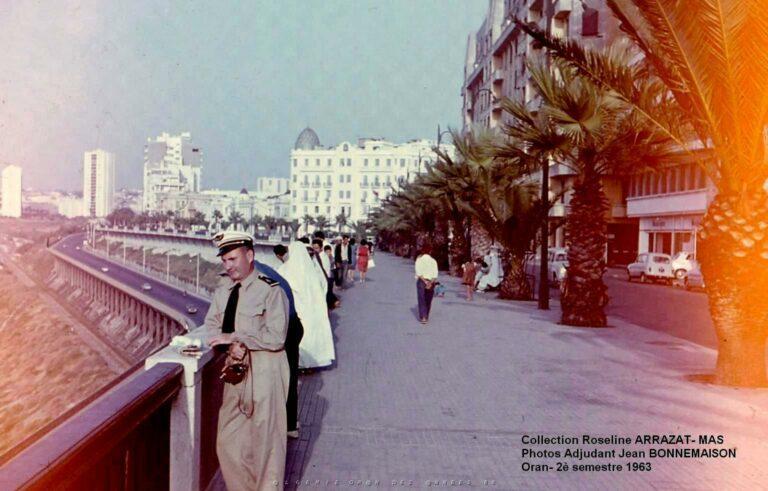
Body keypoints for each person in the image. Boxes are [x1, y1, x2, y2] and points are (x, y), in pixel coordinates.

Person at [202, 231, 289, 490]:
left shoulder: (270, 290)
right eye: (224, 260)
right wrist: (229, 346)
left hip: (266, 372)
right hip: (236, 374)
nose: (228, 266)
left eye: (232, 259)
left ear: (249, 255)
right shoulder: (223, 292)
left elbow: (276, 337)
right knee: (228, 442)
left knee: (267, 446)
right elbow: (211, 326)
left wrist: (238, 337)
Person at [254, 253, 303, 439]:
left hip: (287, 328)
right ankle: (291, 425)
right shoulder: (265, 270)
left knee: (283, 378)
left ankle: (284, 425)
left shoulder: (258, 278)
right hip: (293, 325)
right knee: (289, 376)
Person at [279, 241, 336, 369]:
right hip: (311, 309)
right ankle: (311, 362)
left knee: (299, 337)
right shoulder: (312, 270)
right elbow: (323, 286)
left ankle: (300, 363)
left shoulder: (286, 269)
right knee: (311, 334)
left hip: (296, 309)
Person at [414, 244, 438, 324]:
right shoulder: (433, 261)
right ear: (430, 251)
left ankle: (423, 317)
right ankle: (426, 315)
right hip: (431, 281)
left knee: (421, 298)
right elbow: (435, 274)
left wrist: (425, 281)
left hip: (422, 281)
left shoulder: (419, 260)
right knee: (428, 299)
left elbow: (418, 273)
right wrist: (430, 282)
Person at [312, 238, 339, 309]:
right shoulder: (317, 256)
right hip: (325, 280)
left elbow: (324, 271)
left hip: (326, 280)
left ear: (321, 248)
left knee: (324, 300)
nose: (315, 250)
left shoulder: (322, 257)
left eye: (317, 248)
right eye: (313, 248)